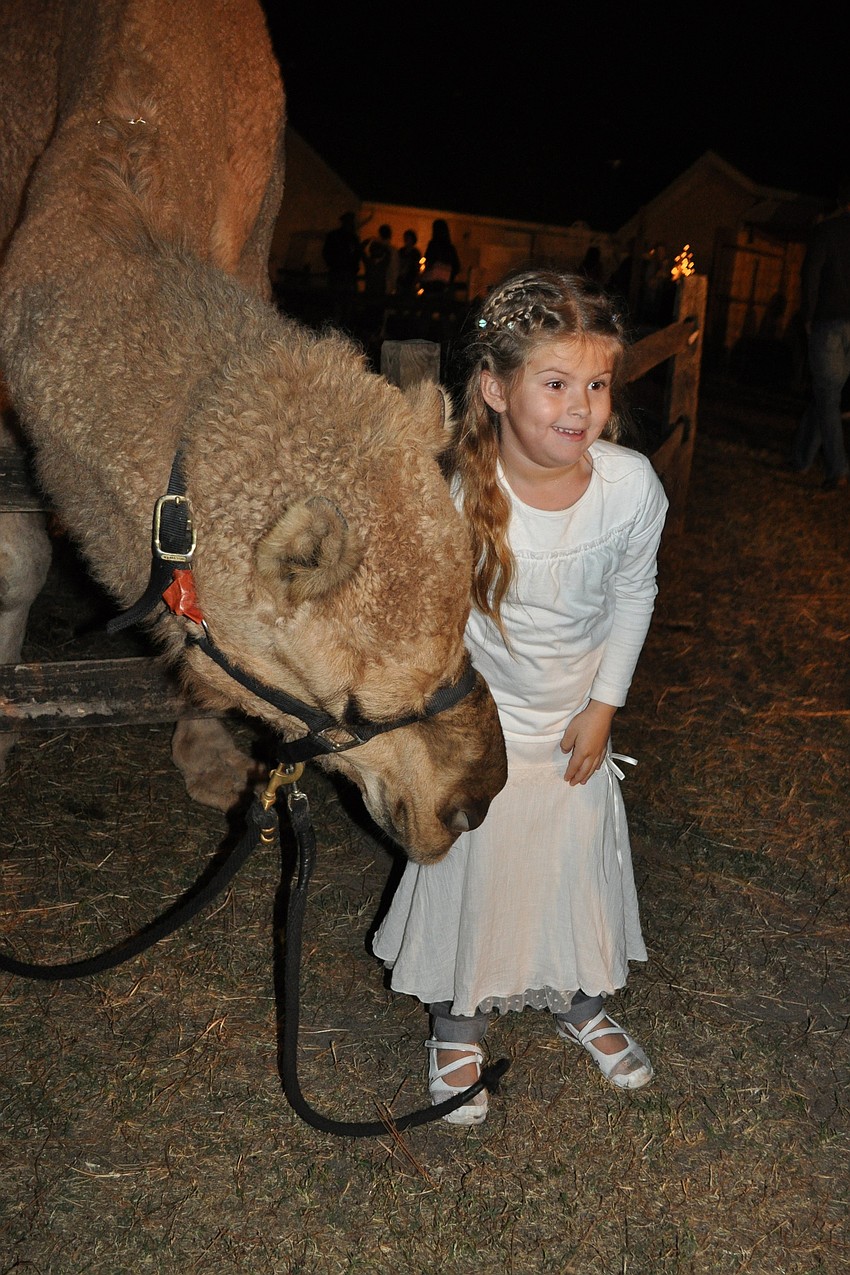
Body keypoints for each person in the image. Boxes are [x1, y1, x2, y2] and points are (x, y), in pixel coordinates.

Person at [372, 268, 668, 1125]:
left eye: (598, 384)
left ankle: (576, 994)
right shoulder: (461, 497)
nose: (581, 406)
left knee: (571, 855)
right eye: (555, 382)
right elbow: (430, 622)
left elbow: (635, 593)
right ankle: (457, 1015)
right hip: (484, 719)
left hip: (575, 717)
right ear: (496, 389)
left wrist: (605, 704)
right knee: (480, 859)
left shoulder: (629, 489)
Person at [790, 178, 850, 492]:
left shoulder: (828, 231)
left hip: (829, 322)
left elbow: (810, 274)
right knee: (825, 393)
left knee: (828, 396)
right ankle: (801, 458)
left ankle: (838, 467)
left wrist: (809, 315)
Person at [322, 211, 363, 293]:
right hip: (341, 272)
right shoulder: (351, 238)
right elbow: (326, 252)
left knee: (339, 295)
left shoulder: (351, 238)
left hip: (343, 272)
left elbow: (357, 254)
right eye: (350, 222)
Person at [420, 217, 460, 294]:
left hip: (432, 282)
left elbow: (428, 260)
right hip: (445, 282)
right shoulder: (450, 248)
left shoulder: (433, 245)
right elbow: (456, 266)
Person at [361, 223, 399, 298]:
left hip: (369, 291)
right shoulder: (384, 262)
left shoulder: (369, 263)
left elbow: (361, 250)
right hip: (382, 290)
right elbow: (394, 270)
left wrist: (370, 239)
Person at [396, 228, 422, 296]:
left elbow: (417, 268)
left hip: (410, 281)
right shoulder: (401, 251)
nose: (405, 239)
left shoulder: (415, 253)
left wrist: (415, 281)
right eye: (405, 237)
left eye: (408, 238)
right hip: (401, 281)